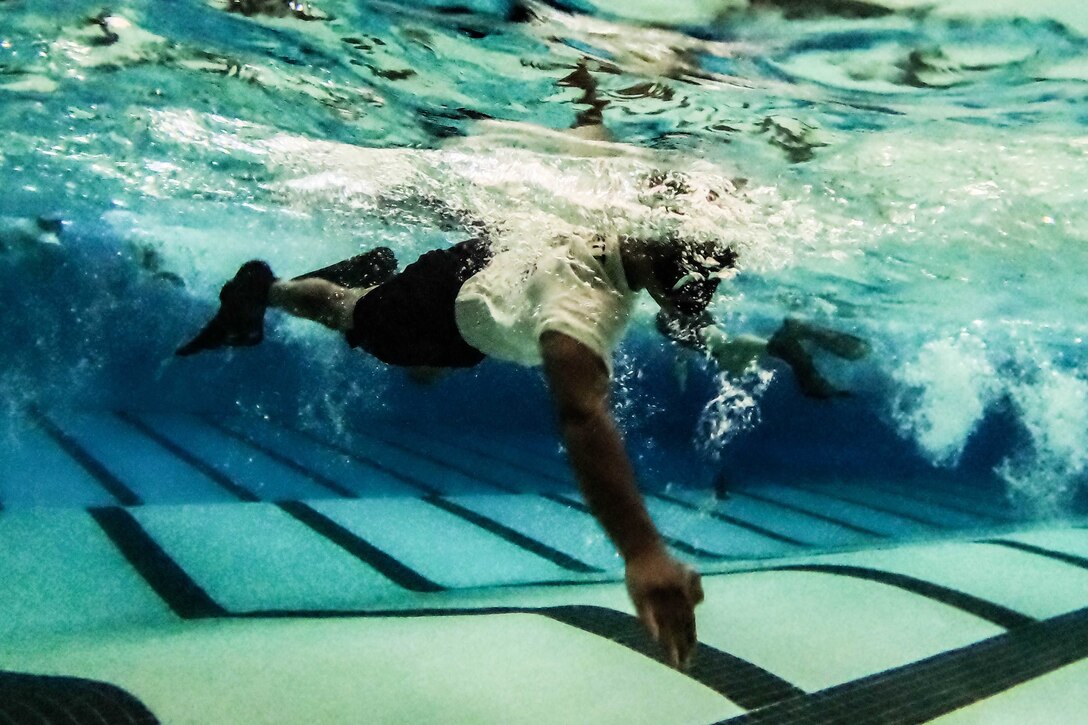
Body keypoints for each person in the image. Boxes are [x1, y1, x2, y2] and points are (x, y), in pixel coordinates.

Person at [176, 228, 867, 669]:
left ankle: (371, 277)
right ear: (662, 255)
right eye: (697, 274)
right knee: (348, 315)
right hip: (449, 307)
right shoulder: (582, 304)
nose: (705, 289)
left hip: (484, 267)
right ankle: (262, 289)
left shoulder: (615, 224)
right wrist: (643, 551)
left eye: (716, 271)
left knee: (414, 348)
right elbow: (578, 411)